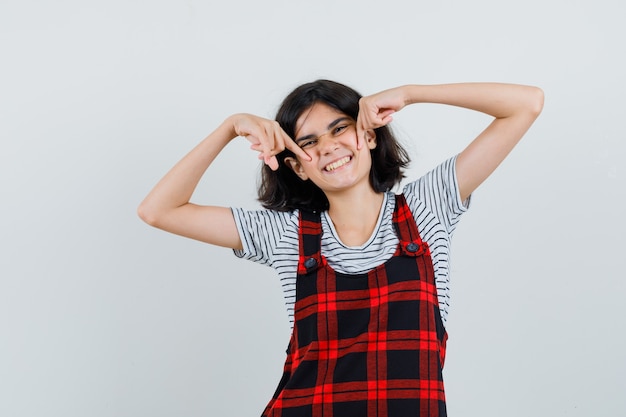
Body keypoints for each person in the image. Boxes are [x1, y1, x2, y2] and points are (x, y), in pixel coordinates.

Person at [138, 80, 544, 416]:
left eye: (339, 128)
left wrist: (411, 94)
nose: (329, 147)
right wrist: (230, 127)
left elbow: (526, 104)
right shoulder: (286, 235)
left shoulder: (427, 208)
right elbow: (158, 210)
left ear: (368, 135)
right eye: (308, 142)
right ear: (297, 165)